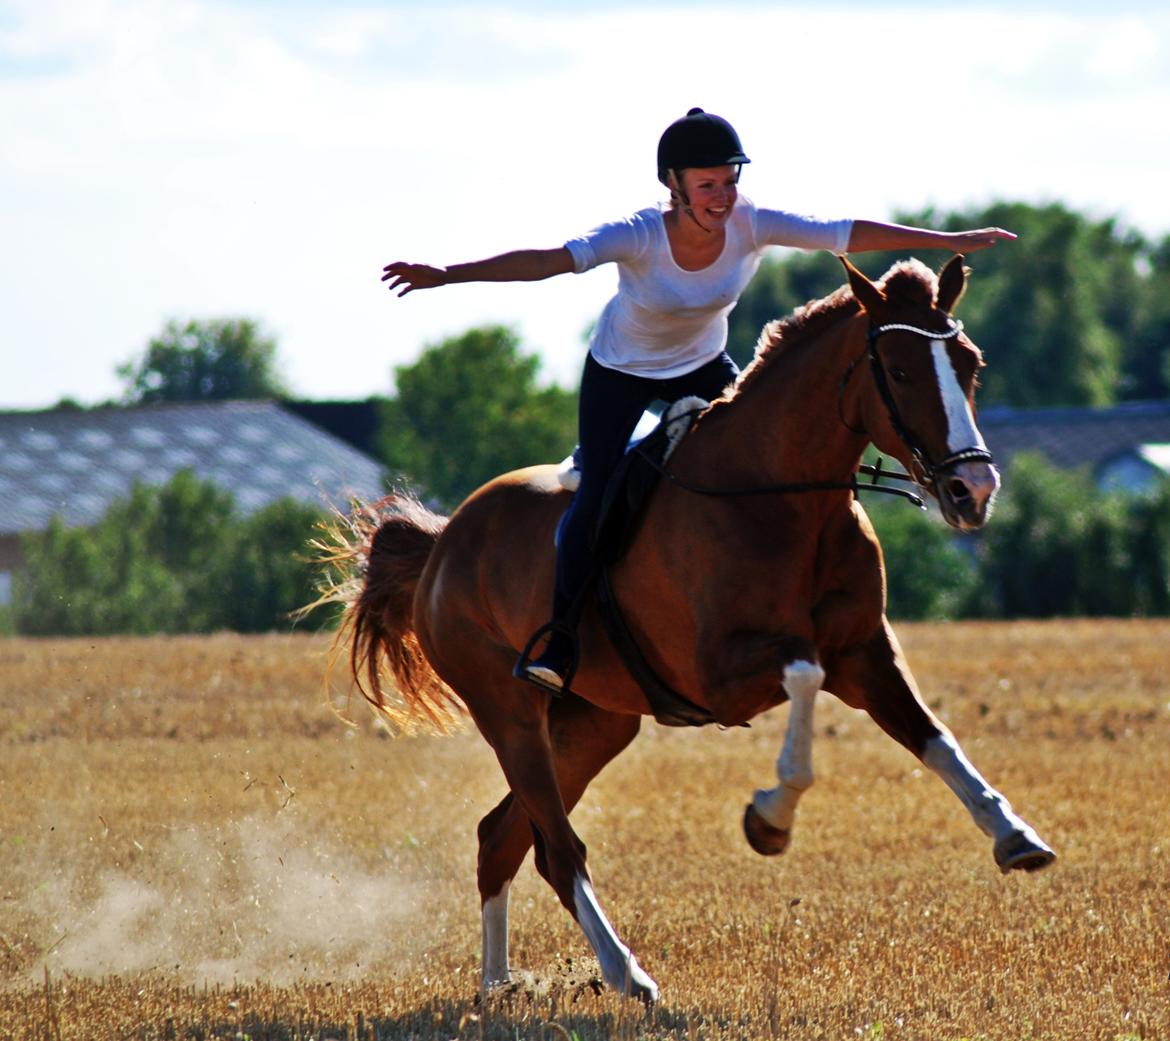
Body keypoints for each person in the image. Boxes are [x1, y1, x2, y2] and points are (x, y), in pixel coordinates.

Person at [381, 107, 1016, 693]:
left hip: (702, 366)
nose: (722, 197)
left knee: (762, 458)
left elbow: (843, 232)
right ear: (674, 187)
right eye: (707, 185)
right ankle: (561, 634)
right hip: (621, 373)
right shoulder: (637, 235)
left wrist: (947, 238)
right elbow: (548, 261)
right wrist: (448, 274)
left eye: (729, 182)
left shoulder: (753, 223)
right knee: (599, 487)